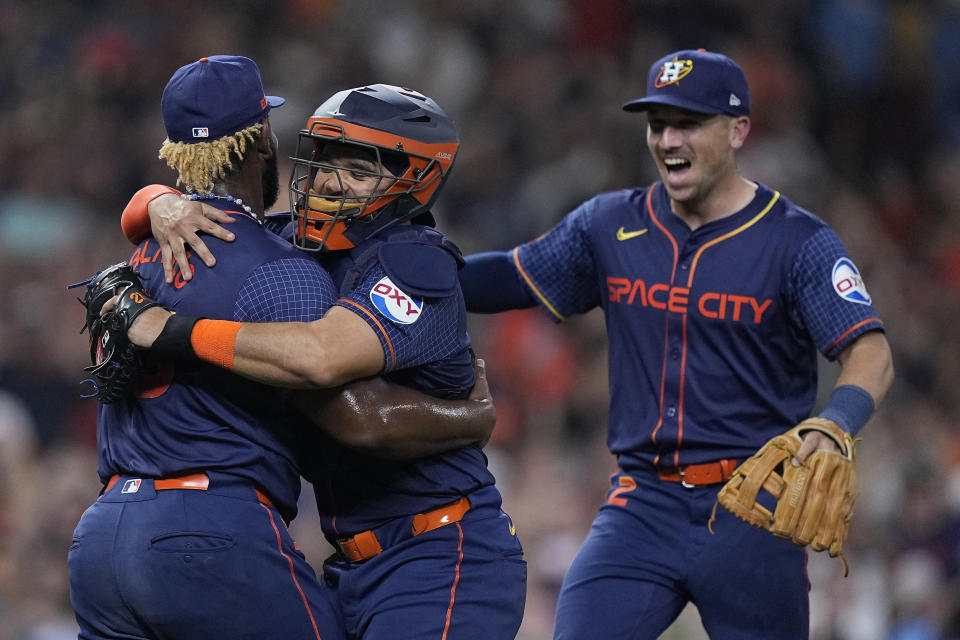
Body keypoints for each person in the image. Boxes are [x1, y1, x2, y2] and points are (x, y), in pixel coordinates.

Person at [69, 56, 496, 640]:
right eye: (323, 159)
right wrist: (472, 417)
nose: (325, 180)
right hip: (220, 533)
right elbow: (346, 406)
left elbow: (345, 393)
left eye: (357, 169)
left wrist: (155, 215)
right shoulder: (280, 258)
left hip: (433, 548)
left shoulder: (414, 261)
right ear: (264, 140)